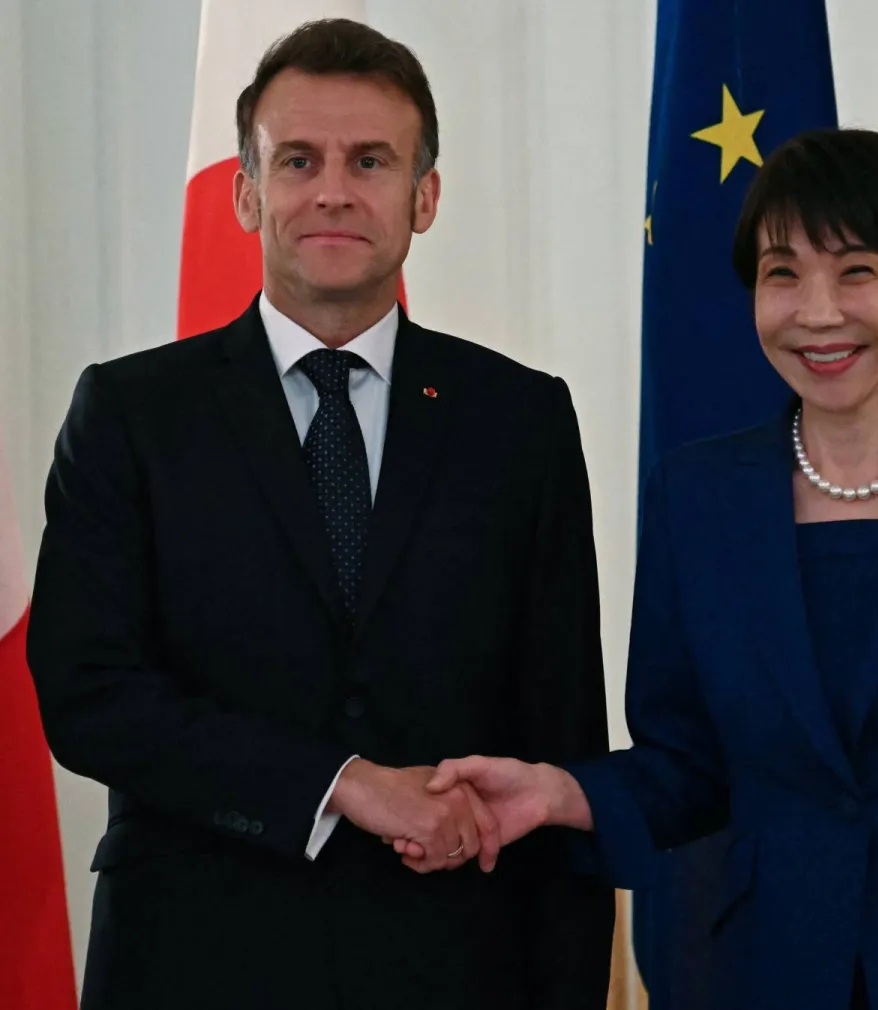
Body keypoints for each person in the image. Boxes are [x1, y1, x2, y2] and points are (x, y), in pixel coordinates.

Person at [409, 129, 878, 1009]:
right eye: (782, 274)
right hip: (775, 971)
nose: (816, 312)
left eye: (855, 272)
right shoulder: (695, 497)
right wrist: (558, 791)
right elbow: (691, 765)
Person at [26, 18, 613, 1010]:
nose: (333, 189)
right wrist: (341, 781)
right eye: (298, 160)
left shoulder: (521, 418)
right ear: (246, 191)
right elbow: (89, 694)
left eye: (370, 160)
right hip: (192, 960)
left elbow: (562, 735)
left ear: (424, 196)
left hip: (457, 967)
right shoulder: (132, 412)